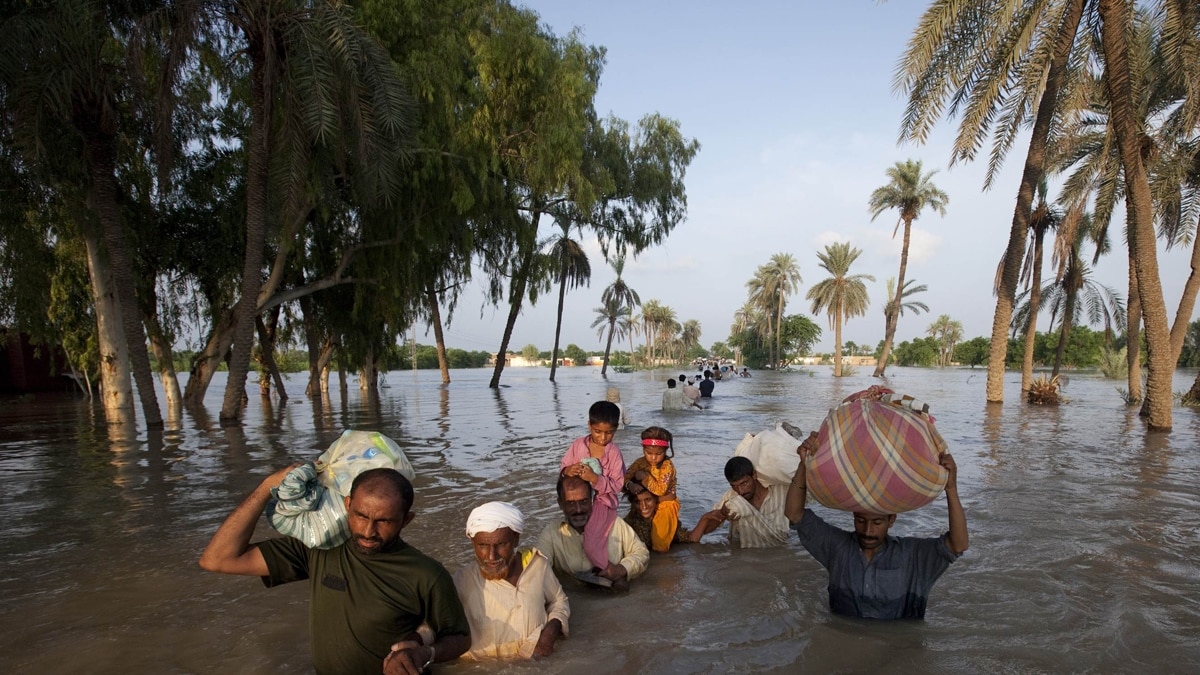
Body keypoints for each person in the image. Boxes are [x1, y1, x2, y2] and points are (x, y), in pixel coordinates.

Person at [198, 467, 470, 675]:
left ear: (406, 520)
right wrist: (266, 486)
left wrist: (424, 654)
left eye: (384, 521)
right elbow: (217, 559)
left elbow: (459, 637)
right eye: (361, 516)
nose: (367, 531)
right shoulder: (318, 549)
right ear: (347, 505)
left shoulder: (426, 573)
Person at [785, 432, 969, 619]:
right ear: (853, 517)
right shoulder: (837, 548)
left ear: (892, 520)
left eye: (877, 522)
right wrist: (803, 464)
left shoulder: (913, 556)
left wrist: (951, 489)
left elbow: (958, 545)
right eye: (861, 520)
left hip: (897, 647)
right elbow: (794, 514)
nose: (868, 531)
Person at [451, 502, 569, 659]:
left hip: (532, 665)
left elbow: (559, 600)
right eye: (482, 545)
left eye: (501, 544)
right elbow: (433, 625)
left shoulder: (537, 566)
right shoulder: (461, 581)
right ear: (473, 543)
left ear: (516, 539)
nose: (492, 556)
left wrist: (551, 631)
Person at [536, 475, 649, 591]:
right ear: (560, 503)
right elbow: (538, 570)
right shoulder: (551, 533)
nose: (578, 509)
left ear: (592, 500)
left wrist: (622, 569)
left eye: (584, 501)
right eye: (571, 503)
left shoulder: (613, 523)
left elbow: (642, 552)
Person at [559, 401, 627, 571]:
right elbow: (563, 469)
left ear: (616, 429)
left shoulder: (614, 453)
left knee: (590, 543)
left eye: (609, 433)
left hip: (603, 503)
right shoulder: (578, 445)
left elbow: (618, 485)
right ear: (589, 425)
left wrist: (595, 479)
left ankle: (608, 570)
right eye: (598, 432)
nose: (603, 438)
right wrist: (568, 470)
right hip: (581, 500)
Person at [689, 457, 789, 547]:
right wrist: (722, 514)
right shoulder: (732, 497)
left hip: (777, 548)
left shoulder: (781, 491)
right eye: (734, 486)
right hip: (743, 554)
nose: (740, 491)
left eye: (744, 483)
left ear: (754, 475)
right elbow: (705, 530)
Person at [624, 426, 683, 551]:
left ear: (666, 450)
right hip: (645, 501)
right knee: (627, 532)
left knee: (659, 544)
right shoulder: (640, 462)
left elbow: (661, 490)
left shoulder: (667, 466)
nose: (653, 458)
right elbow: (624, 478)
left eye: (659, 454)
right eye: (649, 453)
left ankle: (661, 565)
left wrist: (645, 477)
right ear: (643, 449)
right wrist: (630, 485)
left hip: (665, 504)